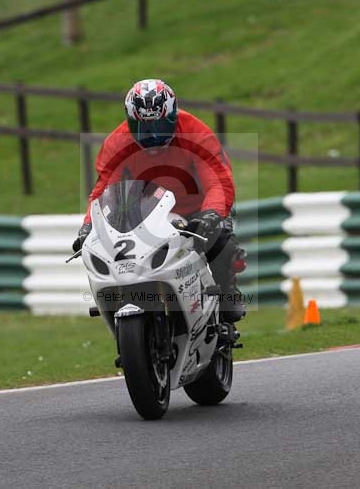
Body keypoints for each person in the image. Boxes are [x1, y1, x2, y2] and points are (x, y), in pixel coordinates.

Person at [72, 78, 247, 323]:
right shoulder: (117, 142)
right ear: (130, 122)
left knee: (222, 241)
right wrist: (89, 225)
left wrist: (211, 213)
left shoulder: (196, 132)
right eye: (143, 128)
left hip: (196, 209)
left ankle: (227, 294)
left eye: (161, 126)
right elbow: (102, 189)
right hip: (145, 214)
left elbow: (218, 180)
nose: (153, 136)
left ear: (173, 116)